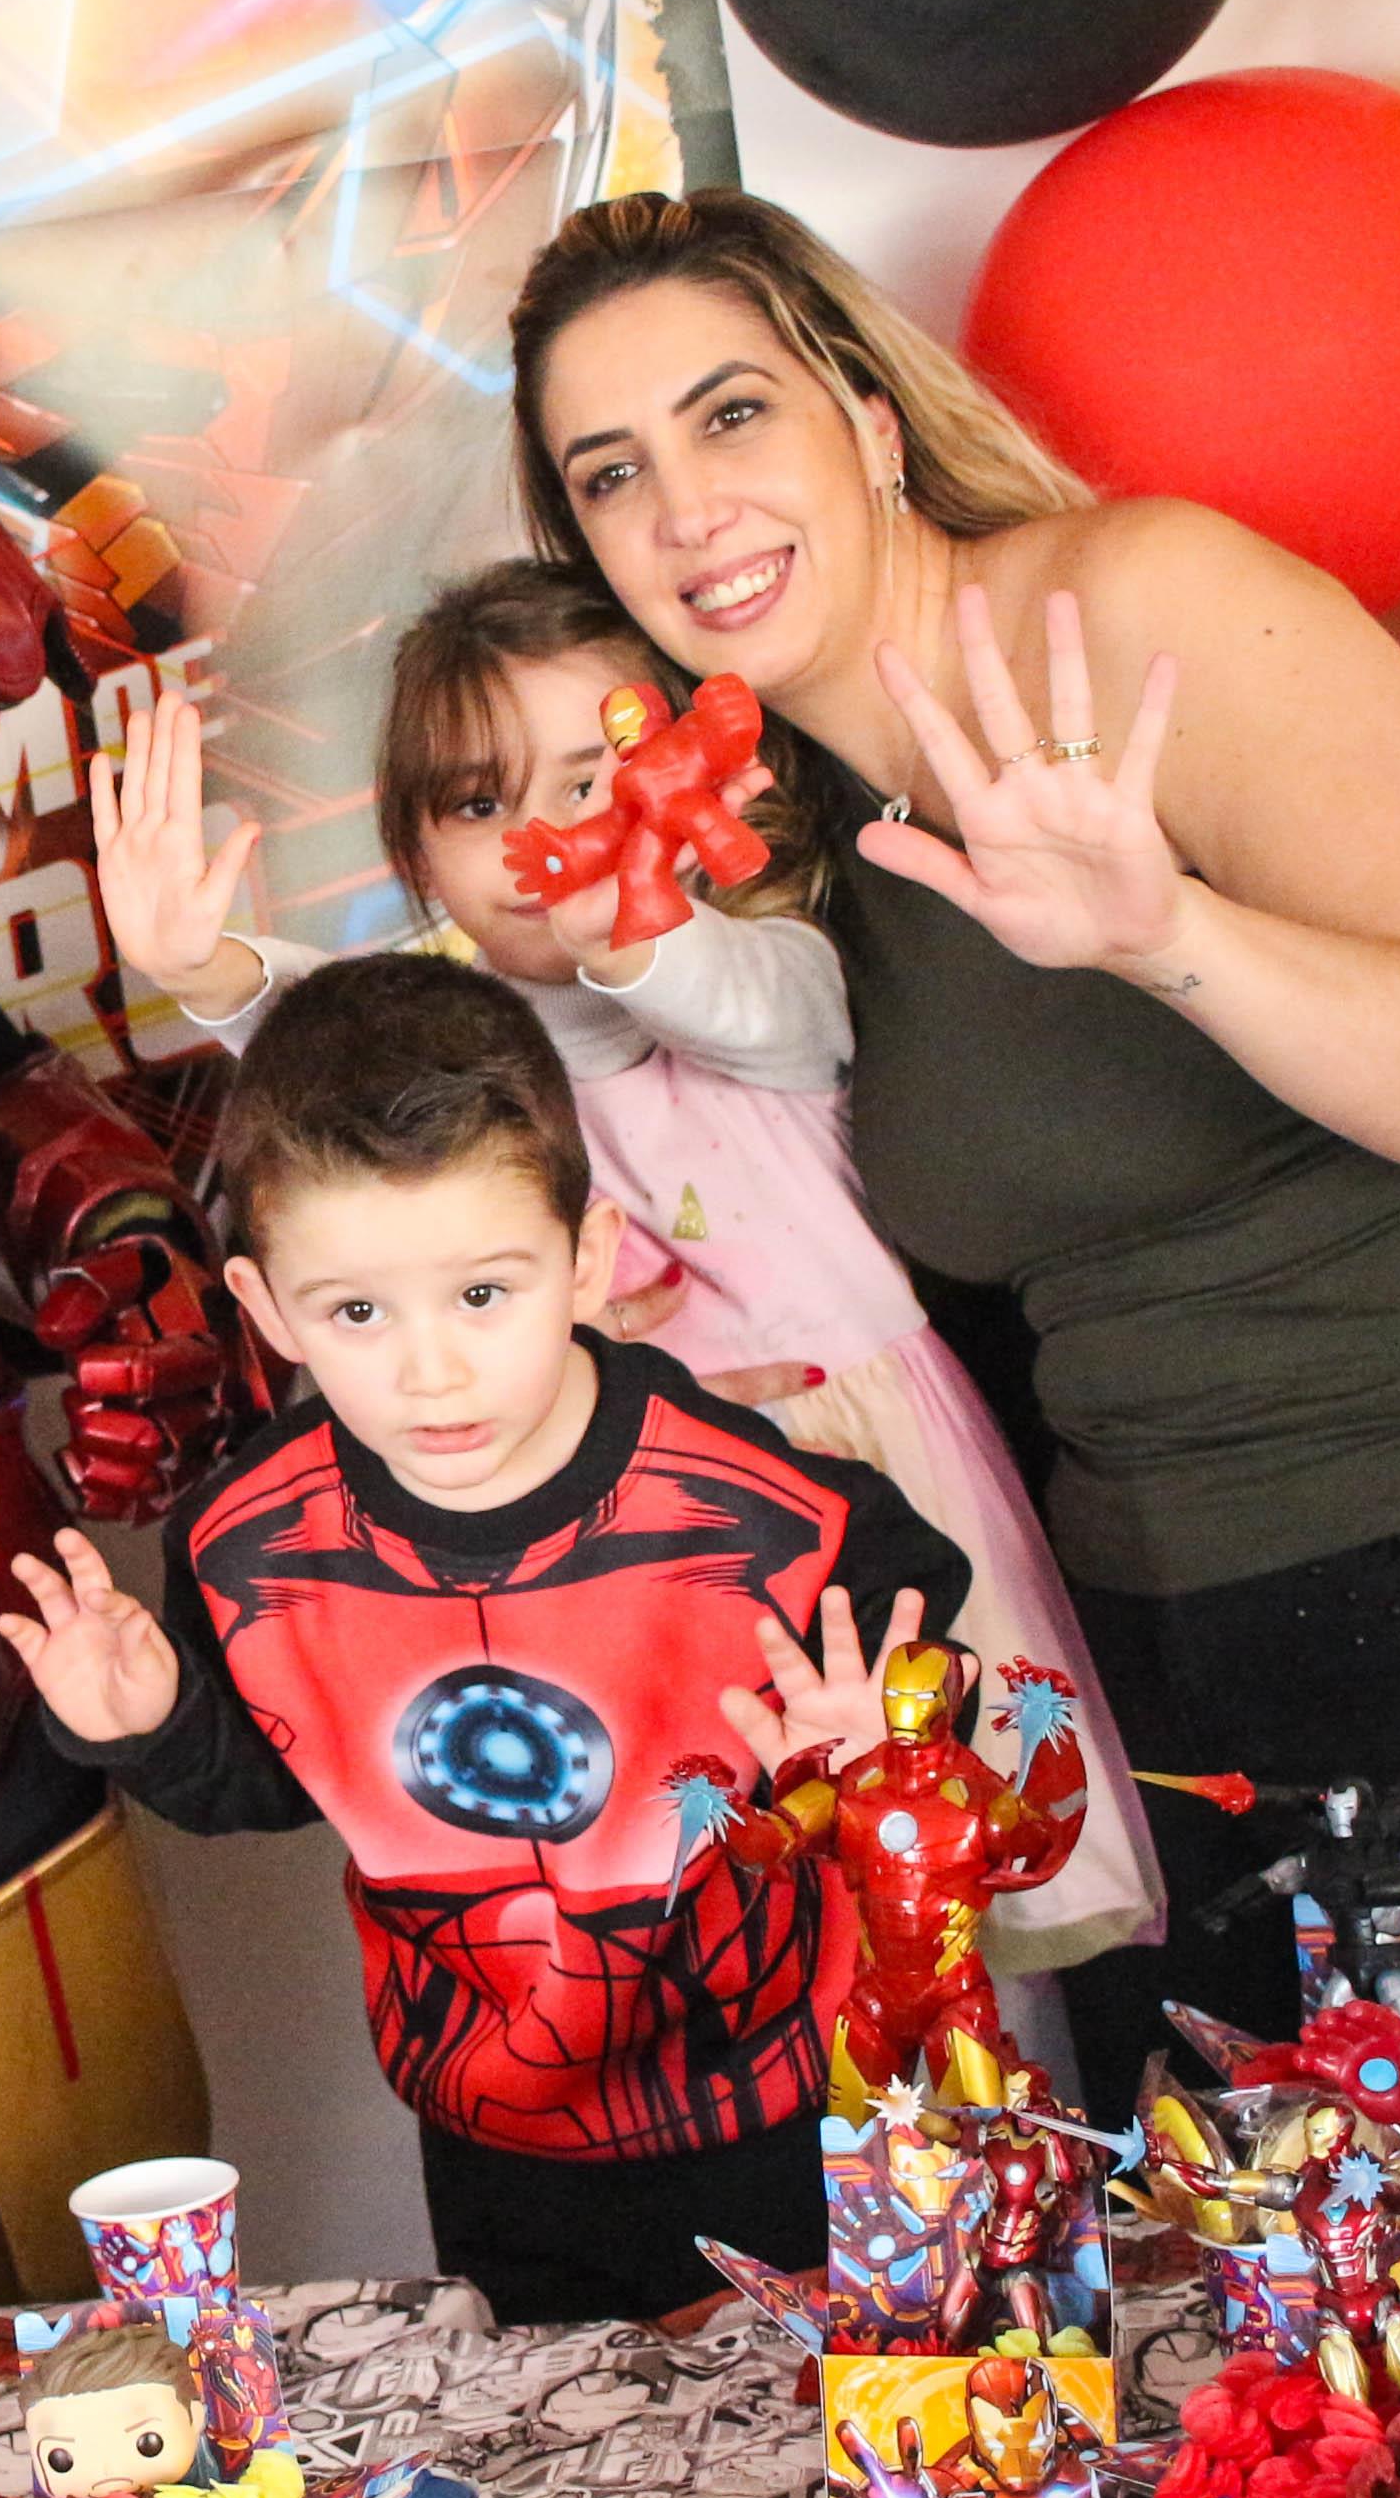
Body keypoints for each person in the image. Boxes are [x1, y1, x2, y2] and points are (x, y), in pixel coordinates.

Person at [497, 190, 1400, 2105]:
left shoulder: (1133, 611)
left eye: (730, 415)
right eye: (610, 473)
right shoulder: (776, 861)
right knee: (1260, 2344)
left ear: (865, 416)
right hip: (1175, 1661)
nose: (685, 508)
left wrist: (1168, 935)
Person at [90, 556, 1159, 1996]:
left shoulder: (768, 977)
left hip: (853, 1502)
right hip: (625, 1553)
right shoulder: (476, 1043)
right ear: (417, 849)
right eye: (482, 804)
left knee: (943, 1921)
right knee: (707, 1938)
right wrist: (202, 968)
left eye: (595, 779)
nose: (544, 833)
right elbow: (360, 1041)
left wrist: (633, 926)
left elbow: (693, 996)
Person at [0, 956, 965, 2318]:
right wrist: (145, 1725)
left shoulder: (765, 1509)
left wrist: (893, 1740)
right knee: (562, 2487)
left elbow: (933, 1667)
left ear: (588, 1260)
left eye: (481, 1296)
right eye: (356, 1314)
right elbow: (269, 1781)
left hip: (781, 2110)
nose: (430, 1369)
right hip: (494, 2131)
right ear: (269, 1312)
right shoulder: (246, 1544)